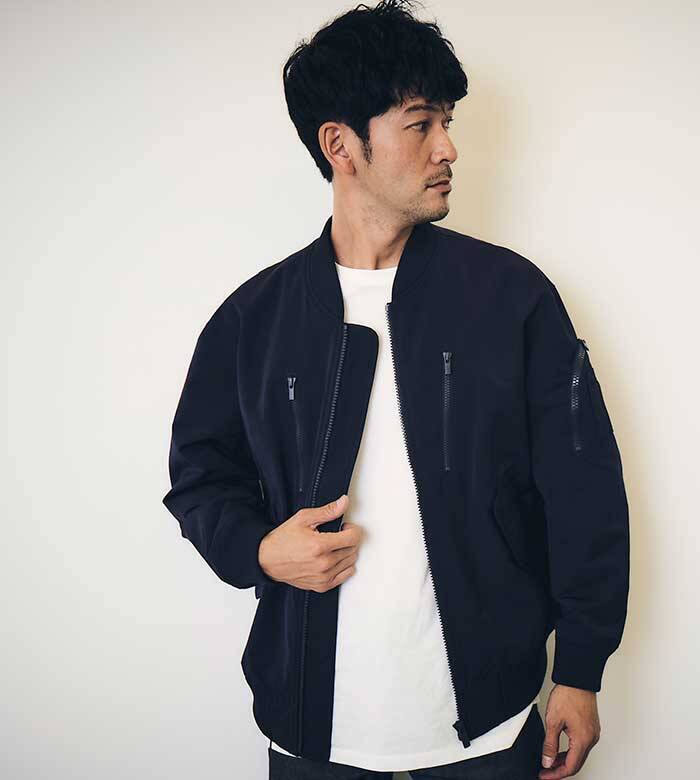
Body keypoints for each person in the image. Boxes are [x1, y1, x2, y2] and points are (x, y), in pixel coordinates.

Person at [161, 2, 630, 778]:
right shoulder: (255, 318)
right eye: (420, 124)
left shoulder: (511, 297)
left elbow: (584, 490)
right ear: (340, 144)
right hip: (315, 728)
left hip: (490, 723)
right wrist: (261, 549)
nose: (449, 147)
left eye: (447, 121)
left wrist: (580, 670)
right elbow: (201, 476)